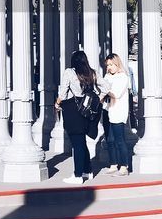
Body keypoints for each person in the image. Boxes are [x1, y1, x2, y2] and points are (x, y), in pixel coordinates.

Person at [55, 50, 101, 184]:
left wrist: (57, 103)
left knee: (77, 143)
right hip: (85, 110)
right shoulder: (92, 72)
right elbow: (106, 86)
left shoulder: (69, 72)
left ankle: (78, 175)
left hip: (73, 111)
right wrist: (99, 99)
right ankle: (88, 171)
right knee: (81, 142)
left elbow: (63, 92)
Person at [100, 54, 133, 176]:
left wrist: (104, 89)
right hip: (107, 110)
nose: (109, 67)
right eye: (107, 65)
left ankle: (124, 166)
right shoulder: (107, 76)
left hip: (118, 111)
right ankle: (113, 164)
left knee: (120, 140)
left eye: (111, 65)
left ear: (117, 64)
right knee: (109, 139)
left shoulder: (123, 77)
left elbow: (116, 94)